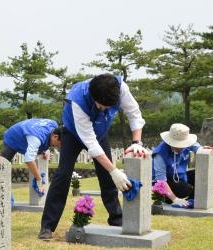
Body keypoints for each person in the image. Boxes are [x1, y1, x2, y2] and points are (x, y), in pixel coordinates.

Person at [38, 73, 149, 240]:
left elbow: (134, 114)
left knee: (106, 176)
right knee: (63, 175)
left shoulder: (120, 88)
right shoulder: (77, 100)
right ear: (92, 96)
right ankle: (47, 226)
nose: (104, 109)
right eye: (101, 106)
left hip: (100, 131)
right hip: (73, 133)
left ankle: (116, 218)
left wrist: (136, 142)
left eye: (108, 107)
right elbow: (91, 145)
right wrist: (114, 170)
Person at [152, 123, 213, 207]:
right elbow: (161, 180)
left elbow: (197, 147)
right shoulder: (160, 153)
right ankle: (169, 199)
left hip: (180, 176)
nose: (180, 147)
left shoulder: (188, 143)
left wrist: (203, 149)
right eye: (176, 144)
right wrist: (175, 199)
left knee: (200, 175)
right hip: (167, 181)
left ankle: (192, 201)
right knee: (184, 189)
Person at [0, 118, 62, 195]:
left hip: (27, 132)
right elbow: (29, 159)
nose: (58, 147)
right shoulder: (36, 138)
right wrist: (39, 181)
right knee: (1, 169)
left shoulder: (53, 124)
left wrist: (45, 150)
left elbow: (46, 138)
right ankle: (4, 197)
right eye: (59, 145)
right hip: (12, 137)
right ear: (56, 136)